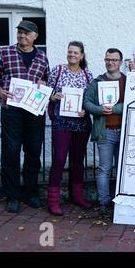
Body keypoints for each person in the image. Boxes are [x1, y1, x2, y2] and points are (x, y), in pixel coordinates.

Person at [0, 20, 50, 213]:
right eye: (20, 32)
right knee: (11, 152)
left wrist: (43, 82)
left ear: (35, 36)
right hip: (12, 111)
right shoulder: (5, 52)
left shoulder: (42, 57)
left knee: (33, 152)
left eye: (26, 33)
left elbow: (46, 80)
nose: (22, 36)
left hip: (34, 112)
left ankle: (30, 193)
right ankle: (12, 195)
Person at [46, 41, 93, 215]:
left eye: (75, 52)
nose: (72, 55)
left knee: (78, 161)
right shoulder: (58, 71)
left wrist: (85, 110)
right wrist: (53, 96)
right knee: (59, 159)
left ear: (81, 56)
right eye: (70, 52)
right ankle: (53, 201)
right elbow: (45, 93)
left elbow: (90, 100)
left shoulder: (88, 75)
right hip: (61, 123)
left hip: (81, 124)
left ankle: (77, 196)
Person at [83, 48, 126, 218]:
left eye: (114, 60)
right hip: (105, 132)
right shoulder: (97, 82)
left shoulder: (128, 81)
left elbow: (131, 102)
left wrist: (115, 109)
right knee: (104, 169)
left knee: (122, 169)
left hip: (123, 131)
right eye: (108, 59)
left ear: (120, 62)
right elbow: (86, 103)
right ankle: (104, 203)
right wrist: (100, 110)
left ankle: (121, 201)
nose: (111, 62)